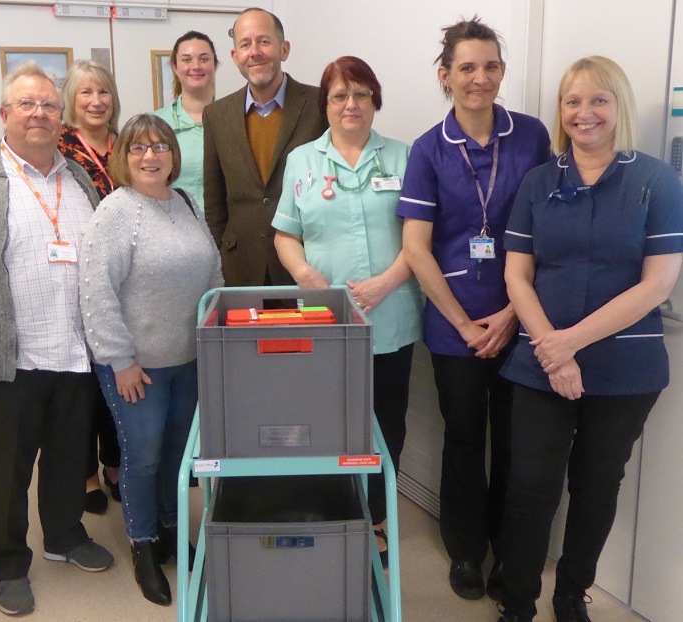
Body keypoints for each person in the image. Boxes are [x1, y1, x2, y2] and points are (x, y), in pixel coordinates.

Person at [498, 56, 683, 622]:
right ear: (561, 111)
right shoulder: (538, 182)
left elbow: (659, 283)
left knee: (598, 486)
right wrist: (552, 350)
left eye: (599, 100)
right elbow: (516, 274)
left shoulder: (656, 180)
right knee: (530, 486)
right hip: (539, 363)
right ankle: (518, 601)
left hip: (623, 370)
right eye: (573, 101)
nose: (585, 113)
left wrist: (567, 343)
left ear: (618, 106)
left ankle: (571, 592)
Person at [397, 17, 550, 601]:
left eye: (490, 66)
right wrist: (463, 322)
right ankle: (466, 550)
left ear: (502, 73)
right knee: (463, 438)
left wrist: (511, 314)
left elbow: (544, 232)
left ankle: (511, 552)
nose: (479, 78)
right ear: (446, 75)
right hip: (452, 324)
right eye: (467, 67)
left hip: (522, 317)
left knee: (514, 440)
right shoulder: (428, 149)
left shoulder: (533, 137)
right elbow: (416, 247)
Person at [0, 61, 113, 617]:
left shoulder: (81, 179)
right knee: (4, 470)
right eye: (27, 104)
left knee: (70, 459)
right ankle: (4, 561)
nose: (40, 113)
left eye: (48, 104)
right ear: (5, 114)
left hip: (75, 351)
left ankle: (65, 536)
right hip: (6, 358)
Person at [273, 56, 423, 567]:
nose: (351, 104)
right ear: (326, 106)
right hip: (323, 321)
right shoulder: (302, 161)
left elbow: (420, 239)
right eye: (339, 96)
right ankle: (330, 512)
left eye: (360, 94)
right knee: (324, 423)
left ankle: (377, 520)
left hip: (391, 317)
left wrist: (385, 283)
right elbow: (285, 233)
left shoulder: (405, 157)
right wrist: (308, 278)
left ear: (375, 100)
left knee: (386, 423)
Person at [80, 113, 223, 606]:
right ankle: (143, 545)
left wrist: (215, 336)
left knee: (177, 454)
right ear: (124, 156)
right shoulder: (116, 211)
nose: (150, 156)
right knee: (141, 456)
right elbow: (95, 292)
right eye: (139, 147)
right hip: (135, 366)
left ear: (172, 155)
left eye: (160, 146)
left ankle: (168, 528)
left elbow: (212, 274)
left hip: (187, 361)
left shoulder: (185, 203)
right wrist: (119, 360)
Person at [202, 6, 327, 286]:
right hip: (240, 268)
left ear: (284, 49)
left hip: (306, 264)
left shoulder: (320, 105)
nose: (254, 51)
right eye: (245, 44)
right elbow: (215, 204)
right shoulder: (216, 115)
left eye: (264, 41)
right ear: (235, 57)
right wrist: (219, 261)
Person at [59, 58, 122, 514]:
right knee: (83, 385)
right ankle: (83, 474)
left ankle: (116, 465)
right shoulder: (58, 147)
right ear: (72, 101)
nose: (96, 101)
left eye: (103, 92)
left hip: (127, 277)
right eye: (86, 93)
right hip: (76, 276)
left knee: (120, 377)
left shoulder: (128, 143)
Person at [154, 30, 218, 211]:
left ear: (215, 65)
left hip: (225, 233)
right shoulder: (156, 124)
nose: (196, 66)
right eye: (187, 59)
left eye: (204, 59)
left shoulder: (233, 121)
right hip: (172, 228)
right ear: (174, 66)